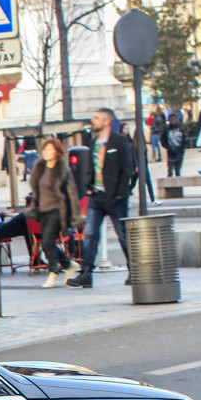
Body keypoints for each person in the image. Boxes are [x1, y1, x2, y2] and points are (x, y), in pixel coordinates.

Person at [70, 107, 134, 288]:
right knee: (90, 234)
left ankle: (134, 270)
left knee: (122, 234)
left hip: (115, 196)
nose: (93, 120)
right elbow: (90, 165)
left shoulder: (120, 141)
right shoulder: (93, 140)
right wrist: (89, 187)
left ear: (107, 121)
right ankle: (86, 272)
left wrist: (121, 192)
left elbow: (127, 168)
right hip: (96, 196)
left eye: (97, 118)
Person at [26, 138, 83, 288]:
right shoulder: (40, 167)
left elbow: (71, 193)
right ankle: (68, 264)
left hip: (58, 210)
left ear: (57, 152)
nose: (46, 152)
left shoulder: (63, 170)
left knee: (48, 240)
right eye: (45, 149)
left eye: (50, 149)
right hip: (43, 210)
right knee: (46, 243)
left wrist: (74, 214)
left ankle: (53, 274)